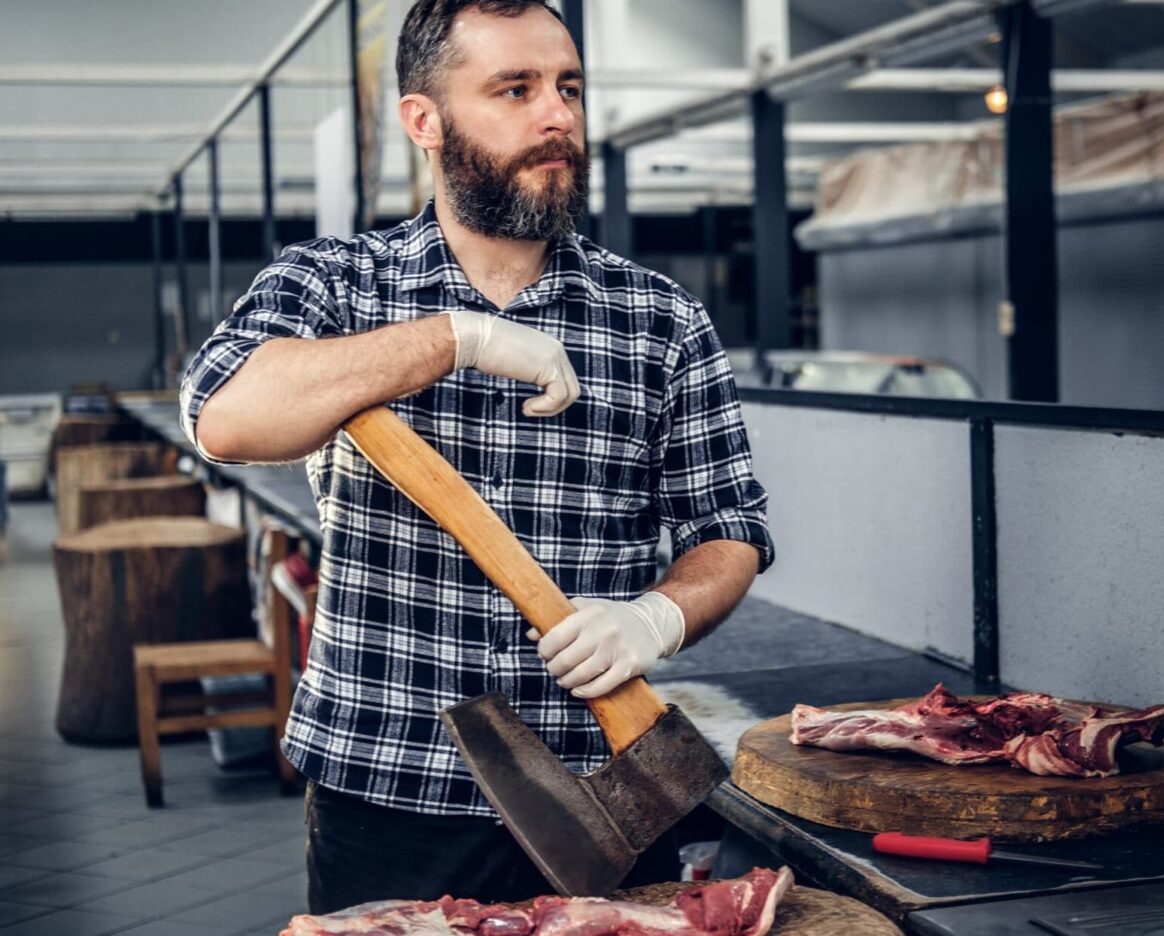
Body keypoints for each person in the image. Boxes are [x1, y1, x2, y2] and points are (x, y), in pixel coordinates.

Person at [178, 0, 772, 914]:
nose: (558, 116)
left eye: (569, 86)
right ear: (425, 119)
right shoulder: (334, 285)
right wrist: (456, 337)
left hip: (603, 782)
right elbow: (224, 415)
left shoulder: (660, 320)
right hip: (387, 788)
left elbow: (728, 530)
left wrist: (656, 617)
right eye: (515, 88)